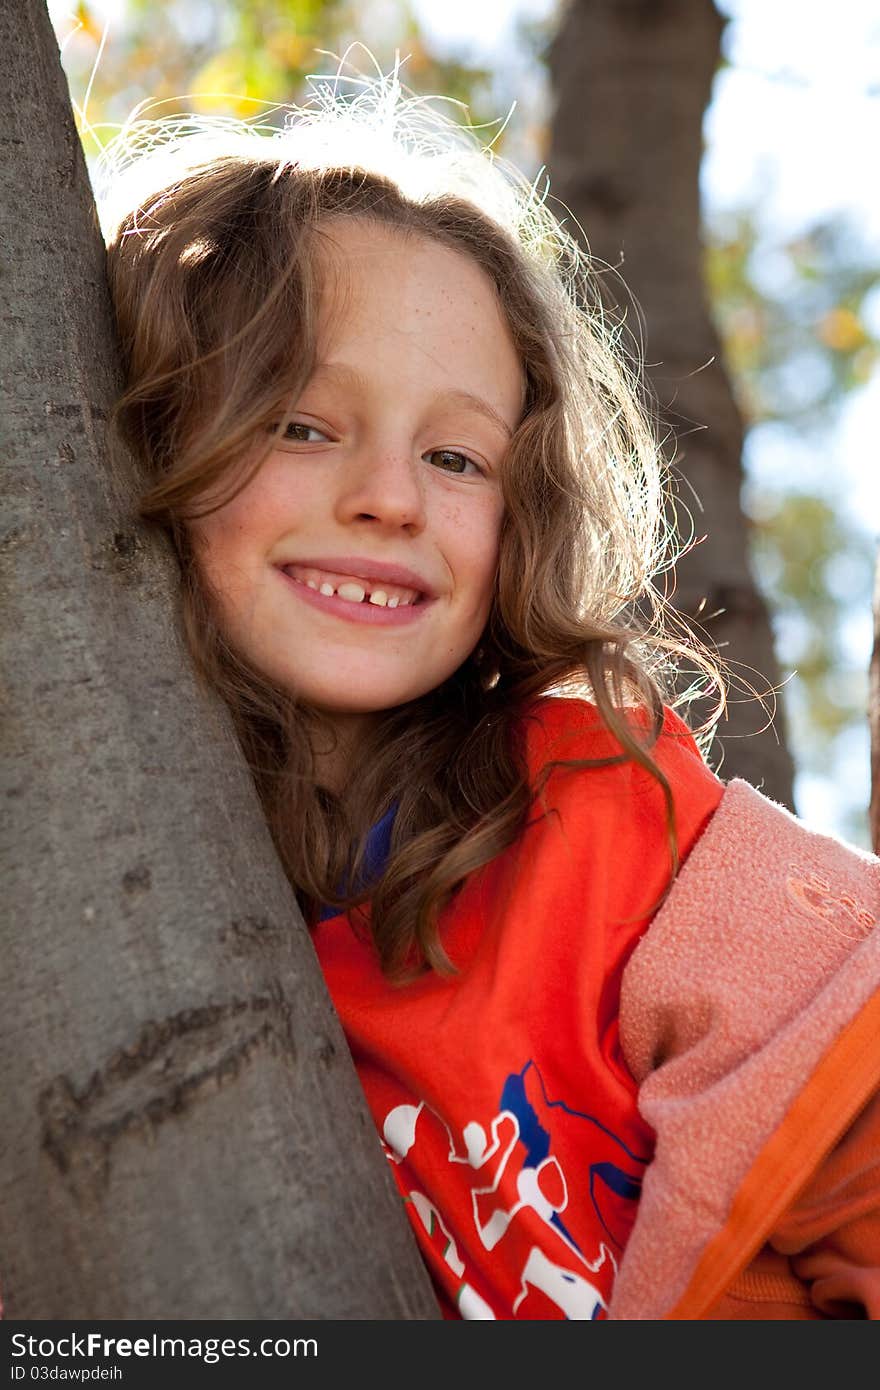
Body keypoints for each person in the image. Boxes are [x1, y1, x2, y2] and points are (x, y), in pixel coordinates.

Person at [96, 69, 880, 1320]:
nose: (391, 498)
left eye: (455, 456)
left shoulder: (604, 819)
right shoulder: (90, 928)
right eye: (301, 424)